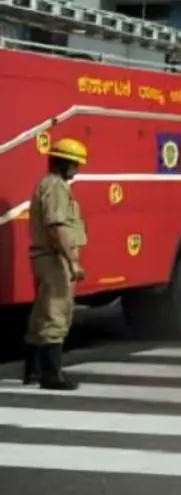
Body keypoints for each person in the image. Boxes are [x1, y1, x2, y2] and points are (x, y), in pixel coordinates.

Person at [23, 137, 88, 391]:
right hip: (54, 259)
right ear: (66, 164)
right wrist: (71, 262)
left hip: (45, 257)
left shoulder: (46, 184)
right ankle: (51, 376)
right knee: (56, 314)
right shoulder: (56, 187)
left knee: (41, 314)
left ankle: (33, 371)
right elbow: (56, 226)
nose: (77, 170)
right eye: (75, 165)